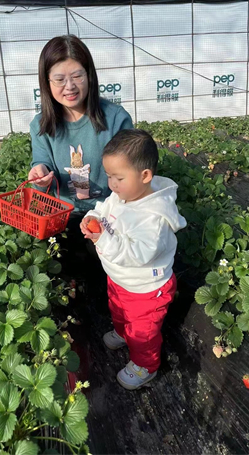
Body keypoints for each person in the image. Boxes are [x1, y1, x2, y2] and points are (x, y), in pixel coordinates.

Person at [80, 129, 187, 390]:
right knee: (117, 310)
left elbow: (137, 255)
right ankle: (122, 332)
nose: (112, 184)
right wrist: (92, 216)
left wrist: (102, 239)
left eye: (118, 178)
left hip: (146, 289)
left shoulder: (153, 218)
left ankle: (145, 366)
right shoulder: (122, 195)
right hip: (120, 279)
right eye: (109, 176)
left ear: (145, 175)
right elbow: (104, 208)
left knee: (143, 332)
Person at [28, 35, 133, 215]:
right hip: (65, 215)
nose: (70, 86)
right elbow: (43, 174)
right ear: (47, 82)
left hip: (110, 212)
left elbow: (131, 175)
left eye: (77, 76)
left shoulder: (116, 119)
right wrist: (42, 175)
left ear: (89, 76)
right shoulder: (40, 125)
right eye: (59, 79)